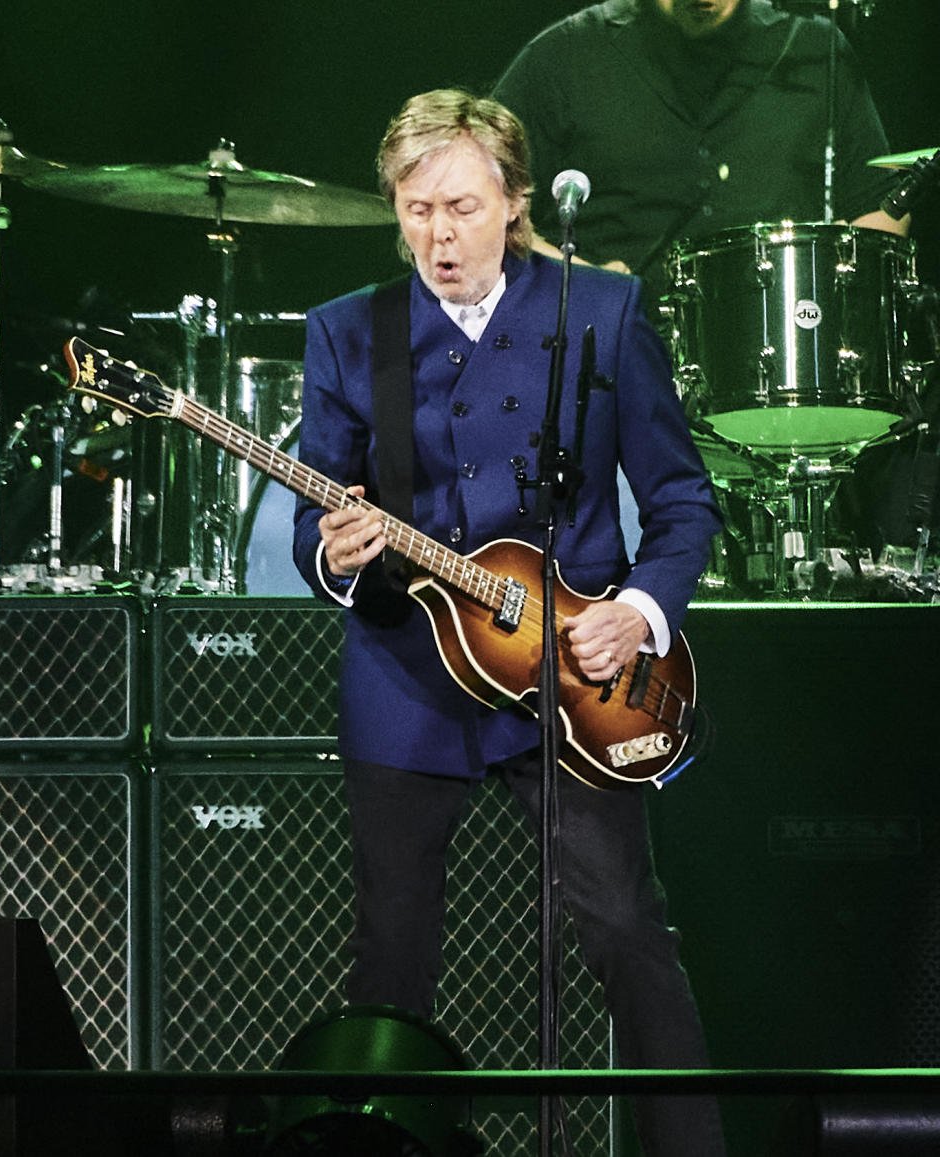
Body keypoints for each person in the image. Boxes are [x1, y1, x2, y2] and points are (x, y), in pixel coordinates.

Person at [292, 89, 725, 1156]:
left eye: (461, 207)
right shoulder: (350, 332)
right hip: (408, 668)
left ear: (518, 204)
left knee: (626, 925)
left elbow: (682, 504)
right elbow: (321, 513)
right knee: (391, 944)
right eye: (414, 209)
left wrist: (635, 614)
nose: (437, 235)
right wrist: (333, 554)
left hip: (570, 675)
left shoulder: (603, 314)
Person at [494, 0, 909, 300]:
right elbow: (477, 205)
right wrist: (581, 283)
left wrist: (838, 288)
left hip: (789, 343)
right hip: (616, 356)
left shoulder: (817, 50)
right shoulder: (564, 55)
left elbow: (882, 205)